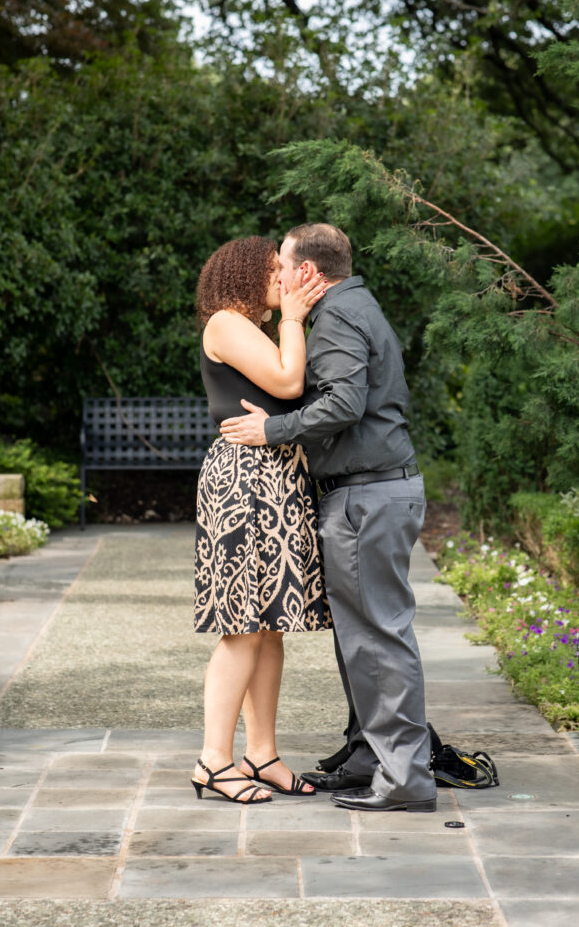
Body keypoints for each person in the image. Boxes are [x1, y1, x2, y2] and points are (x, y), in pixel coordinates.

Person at [220, 223, 437, 813]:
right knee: (360, 638)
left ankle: (405, 781)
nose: (280, 279)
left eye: (283, 268)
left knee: (378, 640)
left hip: (368, 497)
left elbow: (344, 402)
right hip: (368, 493)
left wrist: (273, 430)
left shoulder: (338, 316)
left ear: (309, 272)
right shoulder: (352, 305)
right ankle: (371, 755)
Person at [191, 235, 331, 806]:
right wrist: (295, 319)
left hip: (277, 477)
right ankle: (213, 761)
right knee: (242, 628)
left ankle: (262, 754)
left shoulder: (251, 326)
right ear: (248, 273)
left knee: (270, 627)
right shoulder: (226, 322)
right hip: (244, 482)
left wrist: (288, 322)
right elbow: (287, 383)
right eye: (276, 269)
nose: (286, 277)